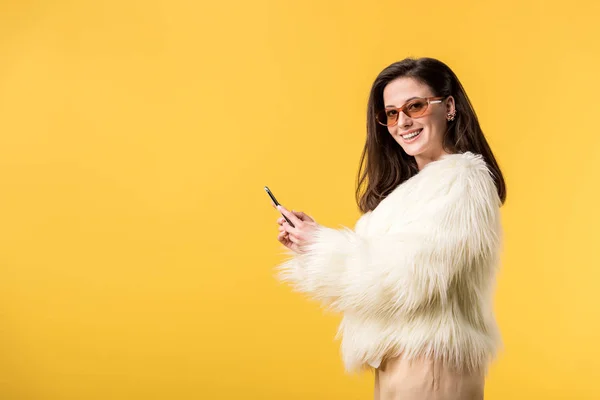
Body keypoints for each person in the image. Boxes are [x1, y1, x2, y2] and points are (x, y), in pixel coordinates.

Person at [273, 57, 506, 400]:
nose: (403, 122)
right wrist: (309, 244)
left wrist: (322, 244)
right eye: (392, 113)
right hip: (403, 362)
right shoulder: (411, 192)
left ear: (450, 107)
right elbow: (374, 277)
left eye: (416, 106)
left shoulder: (462, 180)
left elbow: (407, 275)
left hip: (430, 363)